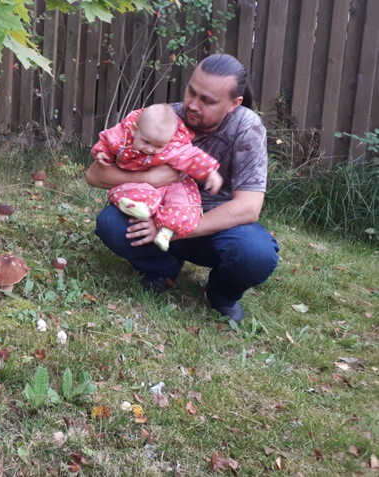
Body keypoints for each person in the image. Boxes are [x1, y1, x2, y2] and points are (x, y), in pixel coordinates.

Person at [86, 54, 279, 323]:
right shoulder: (163, 118)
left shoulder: (246, 127)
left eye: (207, 100)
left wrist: (173, 229)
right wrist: (151, 179)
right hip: (157, 215)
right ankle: (162, 268)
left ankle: (222, 294)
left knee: (255, 253)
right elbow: (94, 175)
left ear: (234, 104)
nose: (193, 105)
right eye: (191, 91)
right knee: (110, 223)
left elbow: (248, 207)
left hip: (215, 229)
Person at [91, 103, 223, 252]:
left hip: (171, 185)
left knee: (182, 200)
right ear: (135, 130)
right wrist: (102, 153)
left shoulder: (174, 146)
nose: (150, 149)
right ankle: (141, 208)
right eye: (146, 142)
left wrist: (210, 172)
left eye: (159, 146)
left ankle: (166, 231)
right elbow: (108, 141)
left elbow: (193, 156)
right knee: (133, 188)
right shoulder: (123, 136)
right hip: (140, 183)